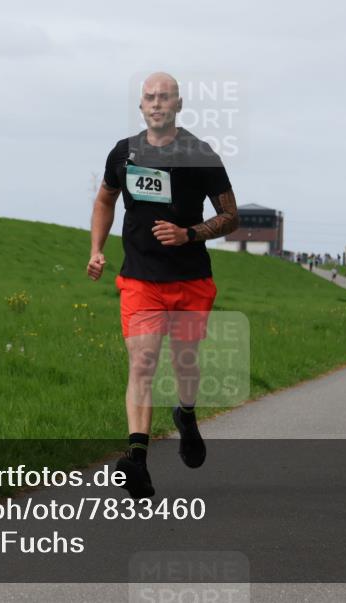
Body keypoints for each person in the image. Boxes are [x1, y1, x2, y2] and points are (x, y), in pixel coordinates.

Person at [87, 72, 239, 498]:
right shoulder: (123, 153)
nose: (157, 104)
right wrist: (96, 249)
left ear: (178, 104)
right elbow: (105, 199)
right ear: (141, 106)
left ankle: (186, 414)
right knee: (142, 363)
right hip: (140, 278)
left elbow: (231, 216)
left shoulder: (200, 155)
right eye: (150, 98)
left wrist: (188, 234)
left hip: (191, 279)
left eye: (164, 98)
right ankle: (136, 459)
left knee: (186, 362)